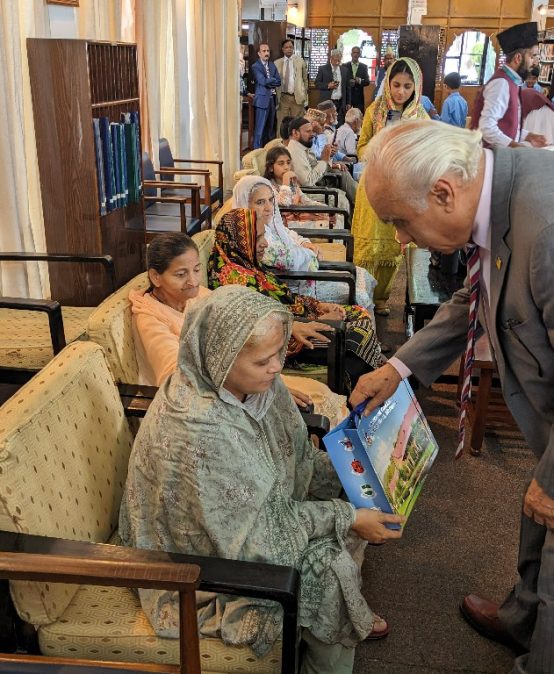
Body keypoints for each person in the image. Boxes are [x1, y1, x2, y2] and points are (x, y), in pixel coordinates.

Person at [350, 119, 554, 674]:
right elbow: (475, 296)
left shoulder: (546, 226)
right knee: (535, 515)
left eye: (400, 220)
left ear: (443, 191)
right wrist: (398, 367)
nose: (400, 238)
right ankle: (524, 619)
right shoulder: (500, 191)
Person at [120, 285, 401, 674]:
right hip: (201, 563)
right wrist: (348, 517)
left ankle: (338, 622)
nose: (276, 368)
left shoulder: (252, 383)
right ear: (220, 358)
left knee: (352, 492)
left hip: (255, 521)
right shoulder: (198, 426)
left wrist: (354, 463)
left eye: (278, 354)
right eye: (263, 361)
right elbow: (257, 537)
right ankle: (332, 641)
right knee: (330, 568)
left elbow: (297, 459)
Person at [130, 232, 347, 425]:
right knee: (309, 405)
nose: (193, 281)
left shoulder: (195, 297)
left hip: (235, 379)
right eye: (181, 274)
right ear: (155, 277)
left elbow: (242, 319)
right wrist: (258, 394)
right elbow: (178, 377)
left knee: (320, 394)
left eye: (196, 270)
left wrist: (289, 326)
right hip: (205, 400)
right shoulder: (149, 318)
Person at [208, 208, 383, 394]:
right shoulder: (234, 280)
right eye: (257, 237)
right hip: (286, 343)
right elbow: (260, 331)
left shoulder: (242, 262)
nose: (265, 243)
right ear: (238, 240)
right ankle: (359, 395)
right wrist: (319, 320)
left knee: (358, 314)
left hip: (295, 319)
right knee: (356, 336)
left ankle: (372, 377)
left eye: (263, 236)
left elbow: (284, 298)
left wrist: (319, 306)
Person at [351, 57, 428, 316]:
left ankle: (382, 297)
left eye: (407, 86)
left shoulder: (420, 116)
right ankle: (363, 297)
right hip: (374, 187)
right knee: (369, 248)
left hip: (404, 191)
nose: (400, 92)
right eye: (396, 85)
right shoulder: (375, 111)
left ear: (416, 87)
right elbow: (361, 146)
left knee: (395, 246)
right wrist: (380, 149)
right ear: (387, 83)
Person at [240, 169, 375, 311]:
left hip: (304, 274)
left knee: (361, 274)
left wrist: (304, 243)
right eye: (260, 202)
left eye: (271, 200)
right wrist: (311, 253)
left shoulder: (267, 224)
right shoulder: (258, 237)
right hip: (295, 290)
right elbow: (291, 260)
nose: (269, 207)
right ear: (245, 204)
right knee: (358, 288)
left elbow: (287, 232)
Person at [471, 22, 546, 148]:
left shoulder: (511, 82)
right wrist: (517, 148)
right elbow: (487, 127)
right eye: (532, 56)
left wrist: (528, 136)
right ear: (518, 58)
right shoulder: (501, 83)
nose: (534, 62)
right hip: (488, 156)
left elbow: (507, 125)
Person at [286, 116, 350, 214]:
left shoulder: (302, 147)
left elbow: (316, 167)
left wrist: (329, 161)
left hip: (315, 187)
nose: (312, 134)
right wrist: (324, 160)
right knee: (340, 199)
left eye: (312, 131)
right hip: (306, 193)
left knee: (342, 174)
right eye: (308, 131)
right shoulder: (295, 151)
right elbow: (307, 182)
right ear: (295, 133)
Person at [251, 43, 281, 149]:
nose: (266, 53)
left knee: (270, 129)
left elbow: (279, 81)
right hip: (262, 100)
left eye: (268, 51)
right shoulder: (256, 66)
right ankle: (256, 152)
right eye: (264, 51)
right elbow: (262, 81)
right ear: (259, 53)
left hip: (272, 99)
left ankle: (268, 152)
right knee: (260, 129)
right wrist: (272, 80)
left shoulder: (272, 65)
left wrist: (269, 81)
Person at [275, 39, 308, 133]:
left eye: (291, 47)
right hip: (282, 98)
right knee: (281, 123)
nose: (289, 49)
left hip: (296, 98)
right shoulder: (277, 63)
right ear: (282, 49)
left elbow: (305, 80)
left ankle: (296, 142)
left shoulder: (300, 61)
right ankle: (280, 141)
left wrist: (304, 95)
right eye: (286, 47)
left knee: (297, 124)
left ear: (293, 48)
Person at [315, 49, 350, 126]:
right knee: (326, 123)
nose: (337, 62)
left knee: (339, 124)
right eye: (335, 59)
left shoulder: (345, 70)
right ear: (331, 58)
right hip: (327, 102)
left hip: (340, 102)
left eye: (339, 60)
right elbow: (317, 84)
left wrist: (348, 103)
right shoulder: (323, 69)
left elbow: (347, 88)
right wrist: (328, 85)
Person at [344, 46, 370, 112]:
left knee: (359, 116)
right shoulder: (345, 66)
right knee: (347, 116)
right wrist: (348, 82)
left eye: (357, 53)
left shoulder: (364, 67)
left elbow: (367, 81)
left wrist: (359, 81)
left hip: (359, 99)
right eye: (354, 52)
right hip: (347, 98)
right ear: (351, 54)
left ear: (359, 54)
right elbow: (342, 80)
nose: (355, 54)